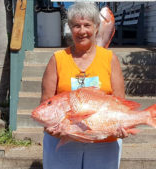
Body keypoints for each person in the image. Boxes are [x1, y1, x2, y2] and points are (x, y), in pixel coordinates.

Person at [40, 2, 127, 169]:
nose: (82, 31)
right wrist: (51, 128)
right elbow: (46, 103)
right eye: (76, 26)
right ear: (69, 28)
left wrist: (121, 125)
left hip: (103, 140)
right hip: (63, 142)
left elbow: (119, 102)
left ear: (96, 27)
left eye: (87, 25)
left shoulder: (110, 59)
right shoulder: (57, 59)